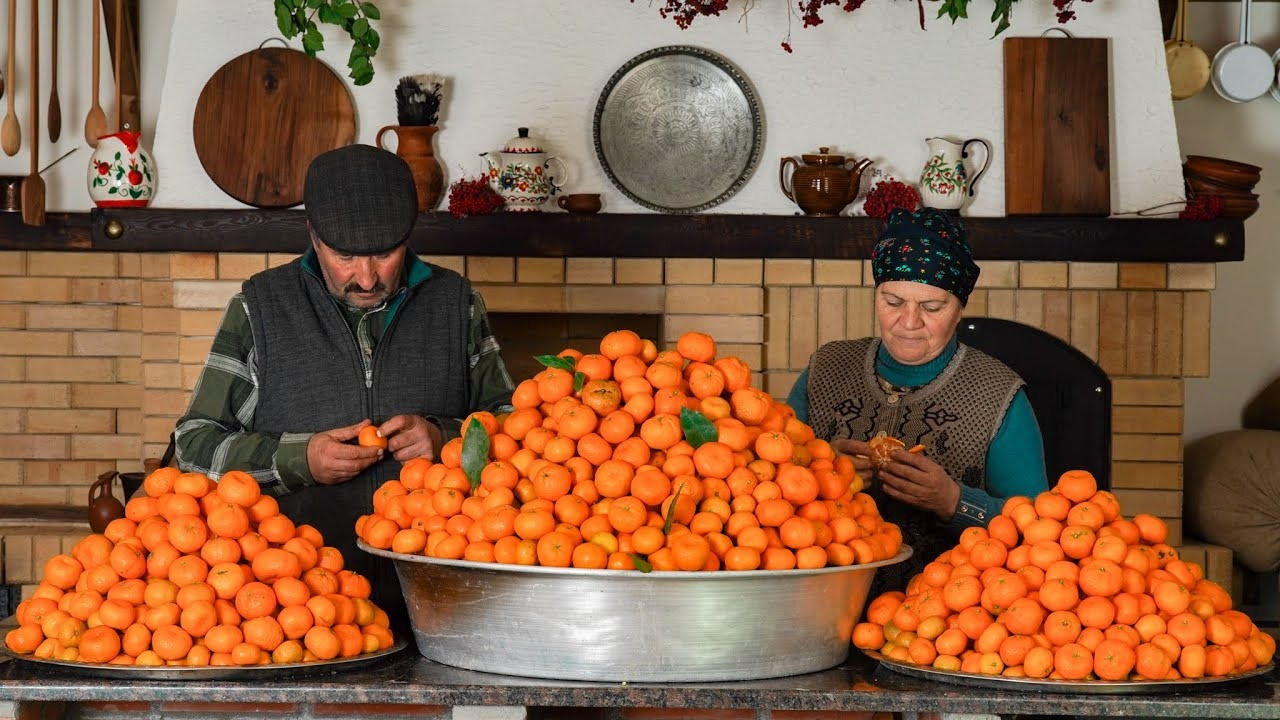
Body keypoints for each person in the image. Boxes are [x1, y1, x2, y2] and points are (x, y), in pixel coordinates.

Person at [174, 144, 516, 627]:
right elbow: (193, 446)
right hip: (296, 611)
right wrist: (299, 459)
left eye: (384, 254)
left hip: (444, 600)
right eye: (346, 256)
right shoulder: (261, 307)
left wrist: (447, 439)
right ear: (313, 235)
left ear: (408, 236)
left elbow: (517, 429)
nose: (366, 276)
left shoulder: (456, 303)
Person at [787, 207, 1048, 594]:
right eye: (893, 302)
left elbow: (1041, 532)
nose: (909, 322)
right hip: (818, 603)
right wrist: (824, 474)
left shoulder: (998, 395)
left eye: (932, 307)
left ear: (959, 308)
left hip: (943, 619)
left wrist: (953, 501)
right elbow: (762, 484)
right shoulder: (827, 370)